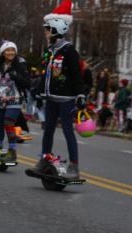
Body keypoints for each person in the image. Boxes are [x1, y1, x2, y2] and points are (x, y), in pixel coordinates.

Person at [26, 0, 87, 179]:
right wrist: (39, 93)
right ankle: (44, 160)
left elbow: (77, 75)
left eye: (47, 29)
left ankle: (74, 167)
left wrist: (81, 95)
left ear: (56, 29)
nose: (45, 32)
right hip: (51, 98)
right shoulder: (50, 51)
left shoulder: (69, 51)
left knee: (68, 131)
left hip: (66, 99)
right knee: (48, 130)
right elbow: (45, 75)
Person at [0, 41, 30, 163]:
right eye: (8, 50)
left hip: (15, 100)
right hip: (0, 100)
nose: (11, 52)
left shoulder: (20, 64)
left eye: (13, 50)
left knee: (8, 123)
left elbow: (27, 82)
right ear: (3, 52)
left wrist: (16, 76)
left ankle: (12, 152)